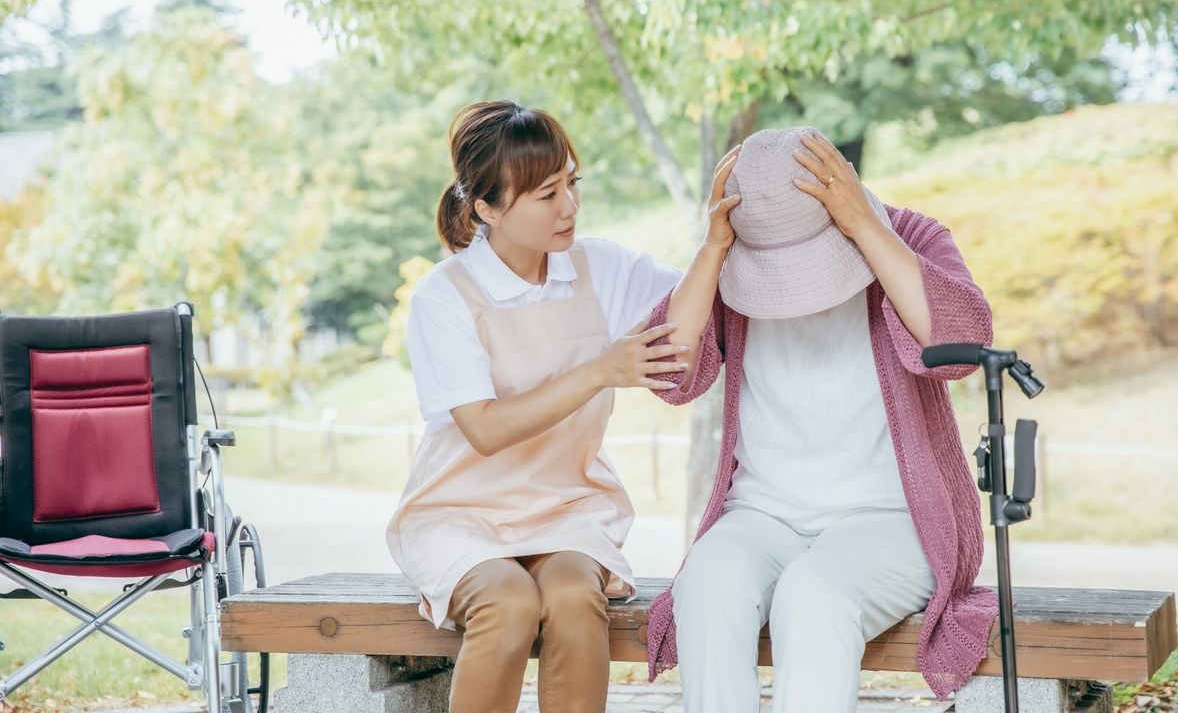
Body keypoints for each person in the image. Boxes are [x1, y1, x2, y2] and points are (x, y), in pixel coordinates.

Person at [643, 126, 998, 711]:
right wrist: (712, 250)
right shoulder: (733, 260)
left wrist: (864, 226)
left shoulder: (911, 235)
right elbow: (668, 371)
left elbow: (964, 344)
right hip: (761, 513)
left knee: (813, 595)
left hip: (893, 520)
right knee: (704, 586)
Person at [385, 100, 688, 713]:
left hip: (566, 506)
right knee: (508, 601)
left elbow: (696, 304)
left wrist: (720, 238)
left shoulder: (601, 267)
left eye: (572, 182)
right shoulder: (446, 296)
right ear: (487, 209)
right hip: (461, 512)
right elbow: (484, 429)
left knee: (575, 597)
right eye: (547, 194)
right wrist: (600, 369)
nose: (569, 206)